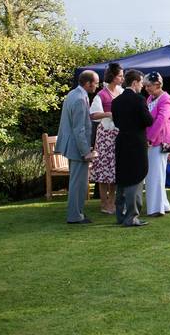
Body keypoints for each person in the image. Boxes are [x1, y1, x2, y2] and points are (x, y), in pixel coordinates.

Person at [55, 70, 99, 224]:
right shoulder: (80, 99)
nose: (97, 86)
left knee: (77, 183)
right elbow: (79, 129)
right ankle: (75, 216)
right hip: (77, 148)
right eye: (96, 83)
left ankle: (78, 213)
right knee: (78, 184)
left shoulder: (73, 94)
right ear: (88, 83)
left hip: (72, 146)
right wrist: (86, 152)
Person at [111, 69, 153, 227]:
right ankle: (132, 216)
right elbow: (148, 121)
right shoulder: (139, 100)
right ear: (135, 82)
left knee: (122, 178)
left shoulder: (116, 102)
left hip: (121, 141)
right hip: (136, 143)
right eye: (141, 82)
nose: (142, 86)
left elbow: (116, 123)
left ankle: (120, 214)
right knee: (136, 178)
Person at [89, 63, 123, 214]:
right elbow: (93, 115)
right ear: (113, 77)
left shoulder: (121, 92)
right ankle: (104, 203)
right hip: (105, 135)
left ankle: (112, 201)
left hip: (118, 134)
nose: (122, 78)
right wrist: (107, 114)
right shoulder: (101, 95)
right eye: (120, 76)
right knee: (103, 169)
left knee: (115, 169)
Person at [143, 72, 170, 217]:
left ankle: (156, 208)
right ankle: (163, 204)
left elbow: (161, 120)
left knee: (155, 174)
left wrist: (149, 138)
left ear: (157, 84)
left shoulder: (165, 98)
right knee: (156, 173)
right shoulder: (150, 98)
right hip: (154, 140)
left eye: (149, 85)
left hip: (160, 141)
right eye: (145, 86)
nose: (146, 88)